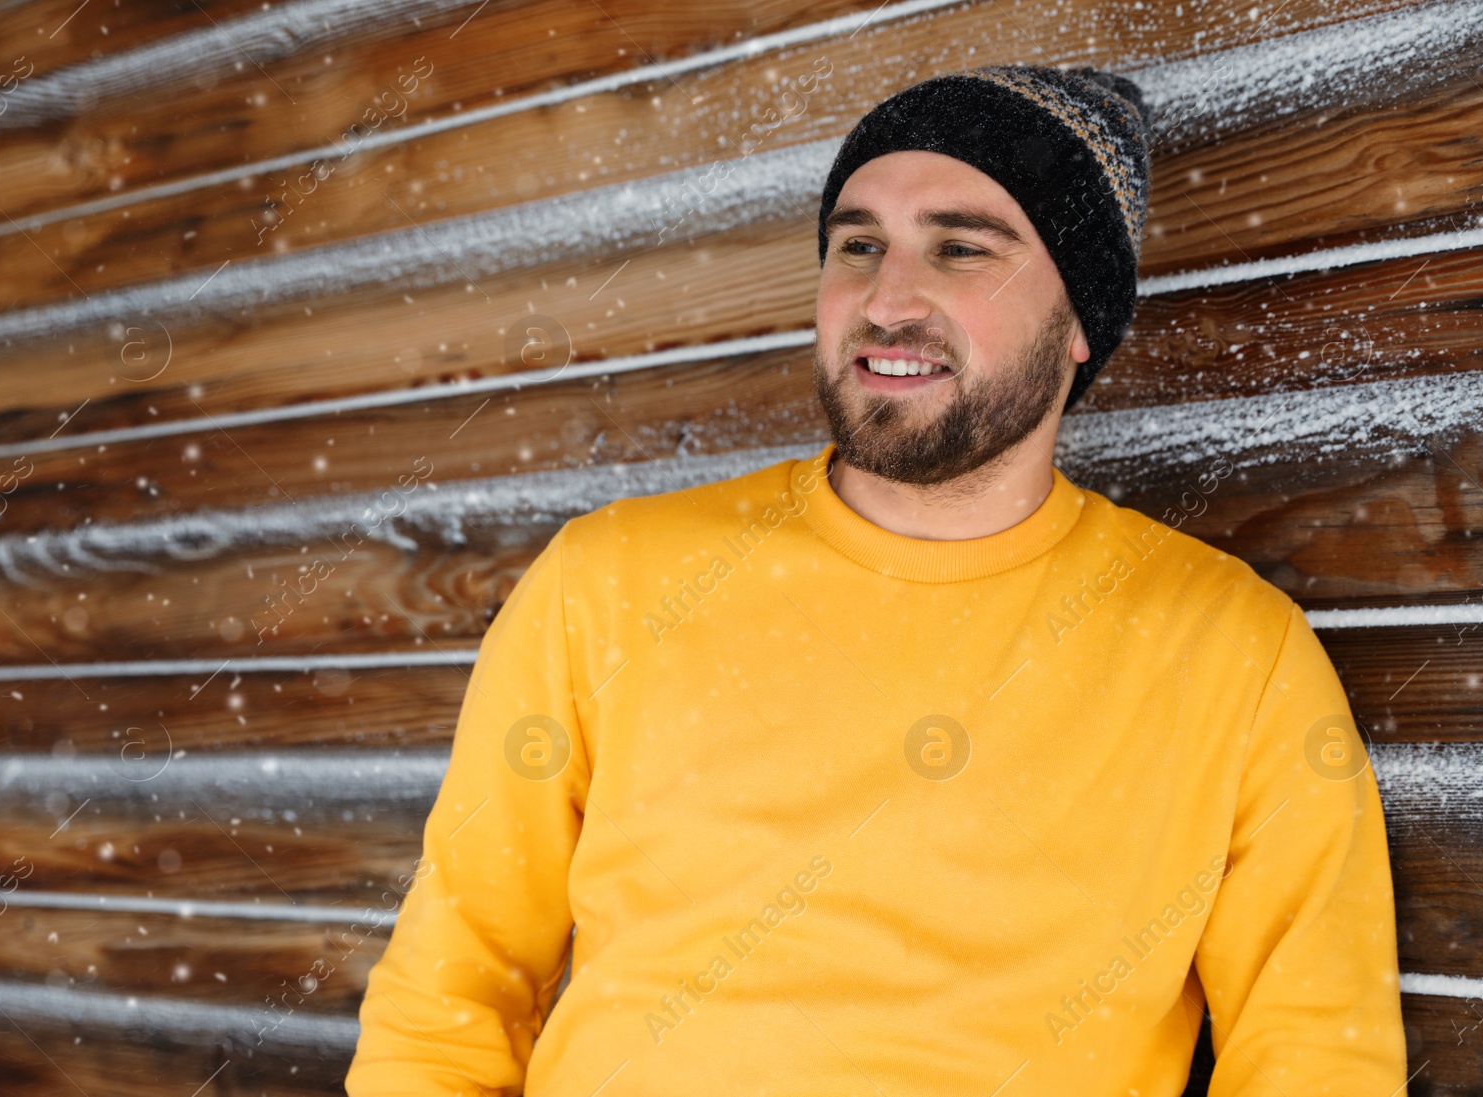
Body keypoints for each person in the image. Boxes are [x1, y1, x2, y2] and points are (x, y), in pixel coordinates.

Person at [347, 64, 1408, 1096]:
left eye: (960, 250)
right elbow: (447, 997)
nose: (887, 298)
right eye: (858, 245)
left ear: (1080, 321)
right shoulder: (609, 580)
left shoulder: (1231, 650)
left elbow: (1314, 1054)